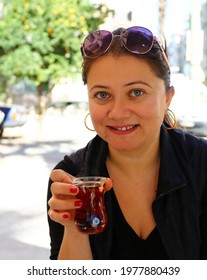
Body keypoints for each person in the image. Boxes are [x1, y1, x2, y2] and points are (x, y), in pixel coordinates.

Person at [47, 26, 207, 260]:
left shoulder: (201, 163)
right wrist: (74, 227)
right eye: (102, 95)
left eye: (136, 92)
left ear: (167, 98)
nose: (118, 112)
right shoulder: (70, 176)